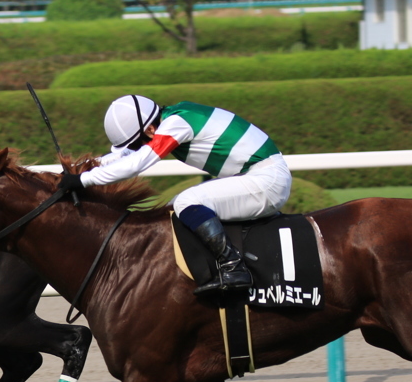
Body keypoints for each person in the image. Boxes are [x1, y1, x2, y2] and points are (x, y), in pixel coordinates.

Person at [64, 95, 292, 295]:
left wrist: (84, 180)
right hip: (254, 176)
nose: (136, 147)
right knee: (172, 209)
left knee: (187, 202)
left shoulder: (176, 124)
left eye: (138, 142)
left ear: (151, 130)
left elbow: (138, 162)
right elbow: (124, 155)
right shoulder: (171, 117)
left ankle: (233, 267)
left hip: (267, 180)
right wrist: (80, 168)